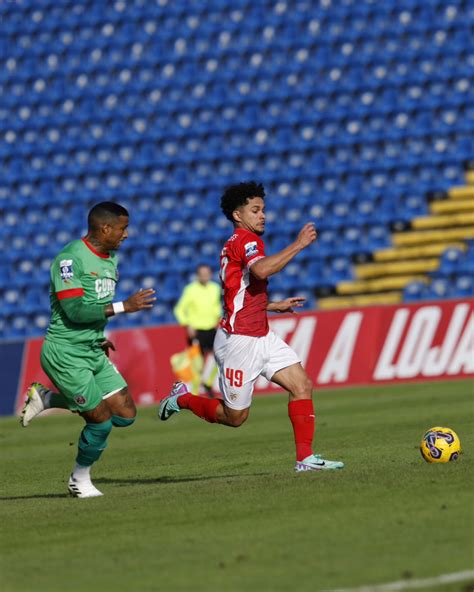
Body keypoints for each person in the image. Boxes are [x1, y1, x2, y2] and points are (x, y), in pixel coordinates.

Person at [158, 182, 344, 472]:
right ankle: (182, 398)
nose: (263, 216)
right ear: (237, 215)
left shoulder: (238, 243)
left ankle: (305, 459)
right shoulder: (245, 240)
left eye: (263, 210)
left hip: (261, 333)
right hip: (239, 342)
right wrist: (299, 244)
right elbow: (260, 270)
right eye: (255, 210)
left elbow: (238, 292)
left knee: (302, 385)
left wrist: (271, 305)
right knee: (235, 417)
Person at [20, 202, 156, 498]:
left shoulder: (111, 259)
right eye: (122, 228)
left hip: (91, 348)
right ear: (105, 228)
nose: (127, 234)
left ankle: (47, 398)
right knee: (101, 422)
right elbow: (75, 310)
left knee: (125, 415)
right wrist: (124, 306)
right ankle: (78, 480)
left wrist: (98, 336)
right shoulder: (70, 259)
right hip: (65, 354)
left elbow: (93, 307)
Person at [173, 263, 222, 393]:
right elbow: (179, 309)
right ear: (197, 275)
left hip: (211, 329)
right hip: (196, 331)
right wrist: (187, 324)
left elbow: (217, 306)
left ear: (210, 274)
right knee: (197, 364)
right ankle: (194, 392)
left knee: (220, 357)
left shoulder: (215, 288)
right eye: (202, 274)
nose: (205, 276)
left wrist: (218, 318)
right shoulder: (190, 289)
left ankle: (207, 382)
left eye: (207, 274)